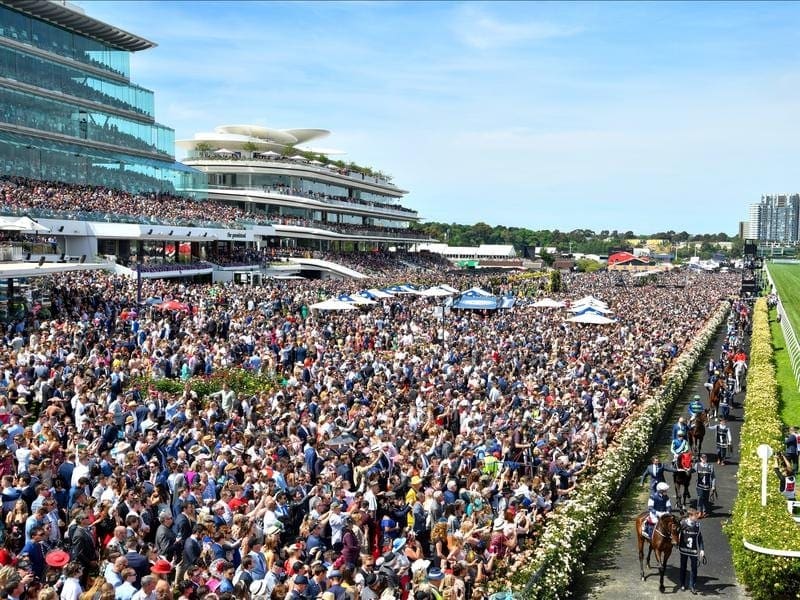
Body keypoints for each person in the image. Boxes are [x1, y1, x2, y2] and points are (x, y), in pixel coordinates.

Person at [678, 509, 705, 594]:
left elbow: (699, 538)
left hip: (693, 551)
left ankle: (692, 585)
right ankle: (682, 584)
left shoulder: (697, 525)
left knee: (694, 568)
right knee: (683, 567)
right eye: (695, 515)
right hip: (684, 550)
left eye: (697, 515)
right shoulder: (682, 524)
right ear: (690, 516)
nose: (697, 517)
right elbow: (676, 534)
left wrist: (702, 549)